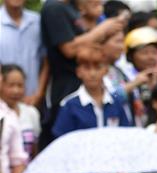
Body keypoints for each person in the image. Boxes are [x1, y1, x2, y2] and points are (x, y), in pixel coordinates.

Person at [39, 0, 126, 147]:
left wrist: (94, 19)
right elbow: (69, 49)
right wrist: (102, 30)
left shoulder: (73, 8)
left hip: (93, 89)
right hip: (66, 89)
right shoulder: (54, 7)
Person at [52, 44, 132, 173]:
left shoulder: (115, 103)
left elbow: (123, 141)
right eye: (87, 68)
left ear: (105, 70)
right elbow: (62, 147)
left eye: (97, 67)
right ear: (79, 71)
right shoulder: (70, 105)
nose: (92, 73)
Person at [1, 0, 46, 103]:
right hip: (3, 103)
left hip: (33, 100)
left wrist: (39, 94)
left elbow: (46, 60)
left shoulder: (37, 21)